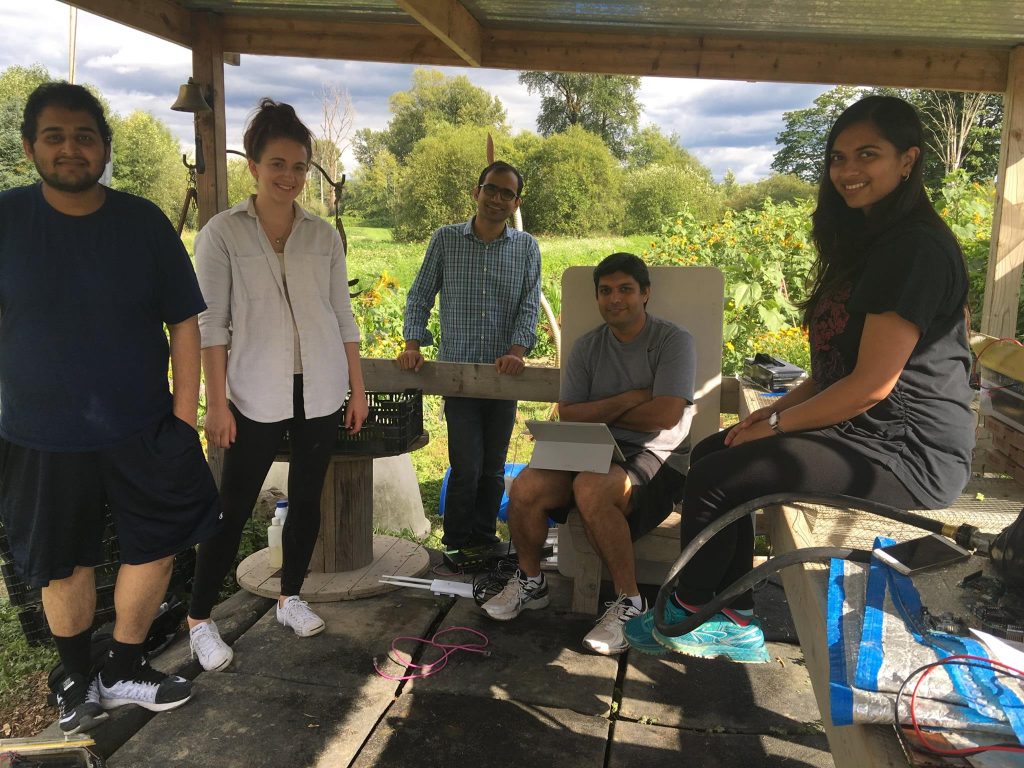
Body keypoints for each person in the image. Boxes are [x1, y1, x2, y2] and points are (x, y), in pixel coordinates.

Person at [625, 95, 975, 663]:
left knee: (718, 477)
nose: (848, 170)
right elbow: (836, 371)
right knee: (715, 451)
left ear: (908, 159)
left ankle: (693, 611)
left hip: (909, 452)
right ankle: (732, 611)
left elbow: (871, 385)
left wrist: (777, 425)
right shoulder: (872, 241)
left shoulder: (914, 248)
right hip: (865, 429)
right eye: (838, 157)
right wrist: (773, 412)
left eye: (868, 154)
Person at [0, 83, 221, 732]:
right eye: (55, 136)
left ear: (104, 147)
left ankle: (125, 665)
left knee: (159, 543)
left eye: (85, 137)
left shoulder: (142, 223)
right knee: (61, 563)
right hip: (38, 434)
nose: (70, 149)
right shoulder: (6, 219)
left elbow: (185, 322)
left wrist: (184, 417)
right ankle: (76, 678)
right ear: (29, 147)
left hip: (144, 425)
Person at [186, 99, 367, 671]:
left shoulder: (322, 236)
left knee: (308, 497)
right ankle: (199, 620)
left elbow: (342, 315)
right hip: (253, 390)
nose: (289, 177)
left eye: (299, 167)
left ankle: (291, 596)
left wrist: (357, 389)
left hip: (321, 387)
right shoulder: (221, 234)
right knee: (233, 504)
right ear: (254, 167)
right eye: (278, 165)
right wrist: (216, 404)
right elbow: (212, 324)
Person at [483, 253, 695, 655]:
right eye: (605, 291)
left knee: (591, 488)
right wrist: (631, 399)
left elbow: (665, 416)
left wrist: (601, 410)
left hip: (658, 452)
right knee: (525, 486)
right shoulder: (587, 346)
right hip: (589, 442)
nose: (615, 299)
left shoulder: (672, 340)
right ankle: (532, 581)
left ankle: (631, 601)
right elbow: (570, 412)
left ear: (645, 294)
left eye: (625, 289)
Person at [398, 161, 541, 552]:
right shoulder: (446, 240)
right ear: (477, 192)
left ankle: (485, 540)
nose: (497, 199)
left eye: (507, 193)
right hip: (458, 377)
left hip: (504, 378)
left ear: (516, 203)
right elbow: (420, 294)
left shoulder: (526, 247)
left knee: (493, 468)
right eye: (491, 189)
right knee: (466, 467)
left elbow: (529, 305)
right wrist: (412, 344)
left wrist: (517, 352)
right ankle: (457, 546)